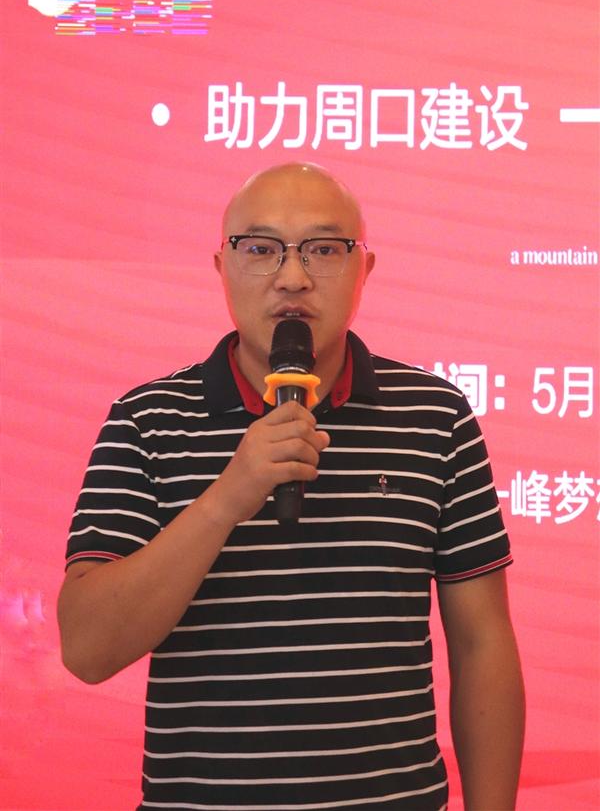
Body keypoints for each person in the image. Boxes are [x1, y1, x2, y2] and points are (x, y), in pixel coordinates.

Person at [58, 162, 525, 810]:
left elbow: (481, 644)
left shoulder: (434, 416)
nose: (293, 276)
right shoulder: (147, 420)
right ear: (222, 265)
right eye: (261, 248)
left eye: (324, 249)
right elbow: (87, 649)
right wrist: (229, 496)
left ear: (364, 269)